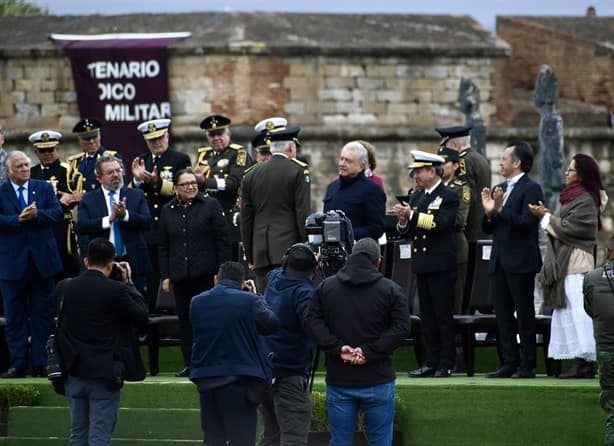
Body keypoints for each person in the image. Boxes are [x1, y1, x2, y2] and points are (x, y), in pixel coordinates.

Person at [305, 238, 409, 445]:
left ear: (350, 258)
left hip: (340, 378)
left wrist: (337, 348)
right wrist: (368, 352)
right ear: (378, 262)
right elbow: (401, 328)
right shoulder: (391, 289)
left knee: (340, 441)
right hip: (378, 377)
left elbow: (311, 321)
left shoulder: (327, 287)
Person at [57, 238, 148, 445]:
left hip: (74, 371)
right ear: (111, 264)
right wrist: (129, 283)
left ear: (86, 261)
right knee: (100, 437)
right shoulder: (116, 291)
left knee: (77, 435)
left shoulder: (67, 288)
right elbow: (142, 316)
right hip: (104, 374)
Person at [529, 154, 607, 378]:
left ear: (581, 174)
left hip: (577, 262)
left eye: (571, 170)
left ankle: (585, 362)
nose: (566, 172)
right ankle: (578, 360)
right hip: (565, 262)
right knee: (567, 313)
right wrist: (547, 216)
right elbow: (563, 224)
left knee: (579, 313)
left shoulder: (586, 199)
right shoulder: (572, 197)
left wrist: (545, 217)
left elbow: (573, 229)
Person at [190, 261, 279, 446]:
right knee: (242, 439)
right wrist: (257, 296)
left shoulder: (196, 302)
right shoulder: (249, 301)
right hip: (239, 380)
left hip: (206, 379)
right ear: (242, 282)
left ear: (216, 279)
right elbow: (272, 324)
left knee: (213, 439)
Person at [158, 169, 231, 377]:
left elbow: (223, 240)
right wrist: (165, 275)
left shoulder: (210, 205)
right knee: (185, 321)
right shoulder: (167, 210)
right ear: (175, 188)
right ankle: (190, 362)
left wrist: (221, 271)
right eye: (185, 184)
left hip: (207, 275)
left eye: (193, 183)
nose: (191, 187)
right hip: (181, 276)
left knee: (209, 319)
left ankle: (214, 361)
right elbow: (163, 245)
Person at [393, 150, 459, 378]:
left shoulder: (448, 196)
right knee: (427, 317)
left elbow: (441, 224)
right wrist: (403, 221)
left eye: (419, 171)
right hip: (423, 263)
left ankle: (446, 362)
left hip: (441, 263)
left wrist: (411, 216)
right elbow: (408, 231)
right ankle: (430, 361)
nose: (416, 176)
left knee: (442, 315)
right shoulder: (417, 197)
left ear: (432, 171)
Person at [482, 141, 544, 379]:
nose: (500, 162)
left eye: (505, 158)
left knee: (524, 313)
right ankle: (508, 361)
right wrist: (490, 212)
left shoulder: (531, 188)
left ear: (517, 162)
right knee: (503, 314)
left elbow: (526, 223)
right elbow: (487, 227)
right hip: (499, 260)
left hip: (520, 261)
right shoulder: (499, 187)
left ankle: (527, 364)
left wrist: (500, 209)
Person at [0, 150, 63, 378]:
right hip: (11, 264)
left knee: (42, 314)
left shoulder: (44, 187)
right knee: (14, 316)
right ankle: (17, 363)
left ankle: (41, 362)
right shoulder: (2, 191)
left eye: (27, 164)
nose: (26, 169)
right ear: (8, 171)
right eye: (19, 166)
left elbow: (57, 212)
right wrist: (16, 219)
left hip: (42, 262)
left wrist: (38, 214)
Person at [259, 243, 318, 446]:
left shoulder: (274, 278)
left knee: (271, 436)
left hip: (265, 371)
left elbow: (277, 270)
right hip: (289, 374)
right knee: (293, 439)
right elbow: (313, 327)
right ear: (314, 270)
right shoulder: (304, 292)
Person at [241, 125, 311, 293]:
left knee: (266, 303)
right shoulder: (298, 171)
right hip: (289, 250)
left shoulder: (251, 175)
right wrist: (307, 248)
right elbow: (302, 214)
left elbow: (246, 219)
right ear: (291, 147)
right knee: (288, 302)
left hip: (260, 252)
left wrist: (250, 255)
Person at [131, 118, 191, 309]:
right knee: (151, 274)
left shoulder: (179, 159)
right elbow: (132, 194)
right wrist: (138, 181)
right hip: (149, 228)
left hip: (171, 224)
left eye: (159, 138)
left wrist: (156, 183)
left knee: (170, 272)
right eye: (152, 140)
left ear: (167, 136)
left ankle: (171, 312)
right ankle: (152, 313)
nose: (156, 143)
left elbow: (183, 190)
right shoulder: (143, 160)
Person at [77, 155, 152, 297]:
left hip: (132, 261)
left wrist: (125, 215)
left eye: (118, 170)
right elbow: (81, 226)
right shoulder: (89, 199)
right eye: (110, 172)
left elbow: (147, 222)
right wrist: (108, 219)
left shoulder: (136, 195)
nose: (116, 175)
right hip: (101, 264)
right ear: (99, 178)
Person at [436, 125, 491, 301]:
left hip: (468, 232)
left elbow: (463, 198)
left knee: (462, 289)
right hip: (479, 229)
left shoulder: (464, 162)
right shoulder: (479, 158)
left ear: (454, 145)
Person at [194, 115, 253, 259]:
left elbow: (234, 184)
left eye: (219, 134)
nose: (216, 138)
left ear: (228, 133)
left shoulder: (238, 154)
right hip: (207, 219)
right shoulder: (204, 156)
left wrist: (205, 182)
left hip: (228, 217)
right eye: (211, 135)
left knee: (230, 262)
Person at [29, 130, 81, 279]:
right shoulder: (31, 173)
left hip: (61, 225)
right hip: (38, 224)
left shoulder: (67, 170)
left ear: (57, 149)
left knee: (65, 264)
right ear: (36, 152)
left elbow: (71, 196)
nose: (47, 153)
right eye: (43, 150)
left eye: (51, 149)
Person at [584, 236, 614, 446]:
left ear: (608, 253)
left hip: (605, 348)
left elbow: (590, 309)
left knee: (611, 404)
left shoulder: (592, 278)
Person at [323, 141, 386, 241]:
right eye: (341, 159)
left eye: (348, 161)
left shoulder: (372, 190)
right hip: (331, 250)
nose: (342, 164)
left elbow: (377, 228)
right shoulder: (332, 187)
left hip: (358, 251)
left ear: (361, 166)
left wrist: (347, 233)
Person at [437, 146, 470, 313]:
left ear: (455, 166)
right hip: (437, 247)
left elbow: (459, 219)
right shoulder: (434, 188)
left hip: (455, 246)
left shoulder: (460, 188)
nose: (441, 166)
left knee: (455, 298)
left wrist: (434, 218)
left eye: (445, 162)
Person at [68, 118, 120, 193]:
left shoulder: (111, 158)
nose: (92, 141)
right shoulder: (76, 162)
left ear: (99, 136)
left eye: (94, 137)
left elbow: (117, 189)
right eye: (87, 139)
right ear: (80, 141)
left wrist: (83, 197)